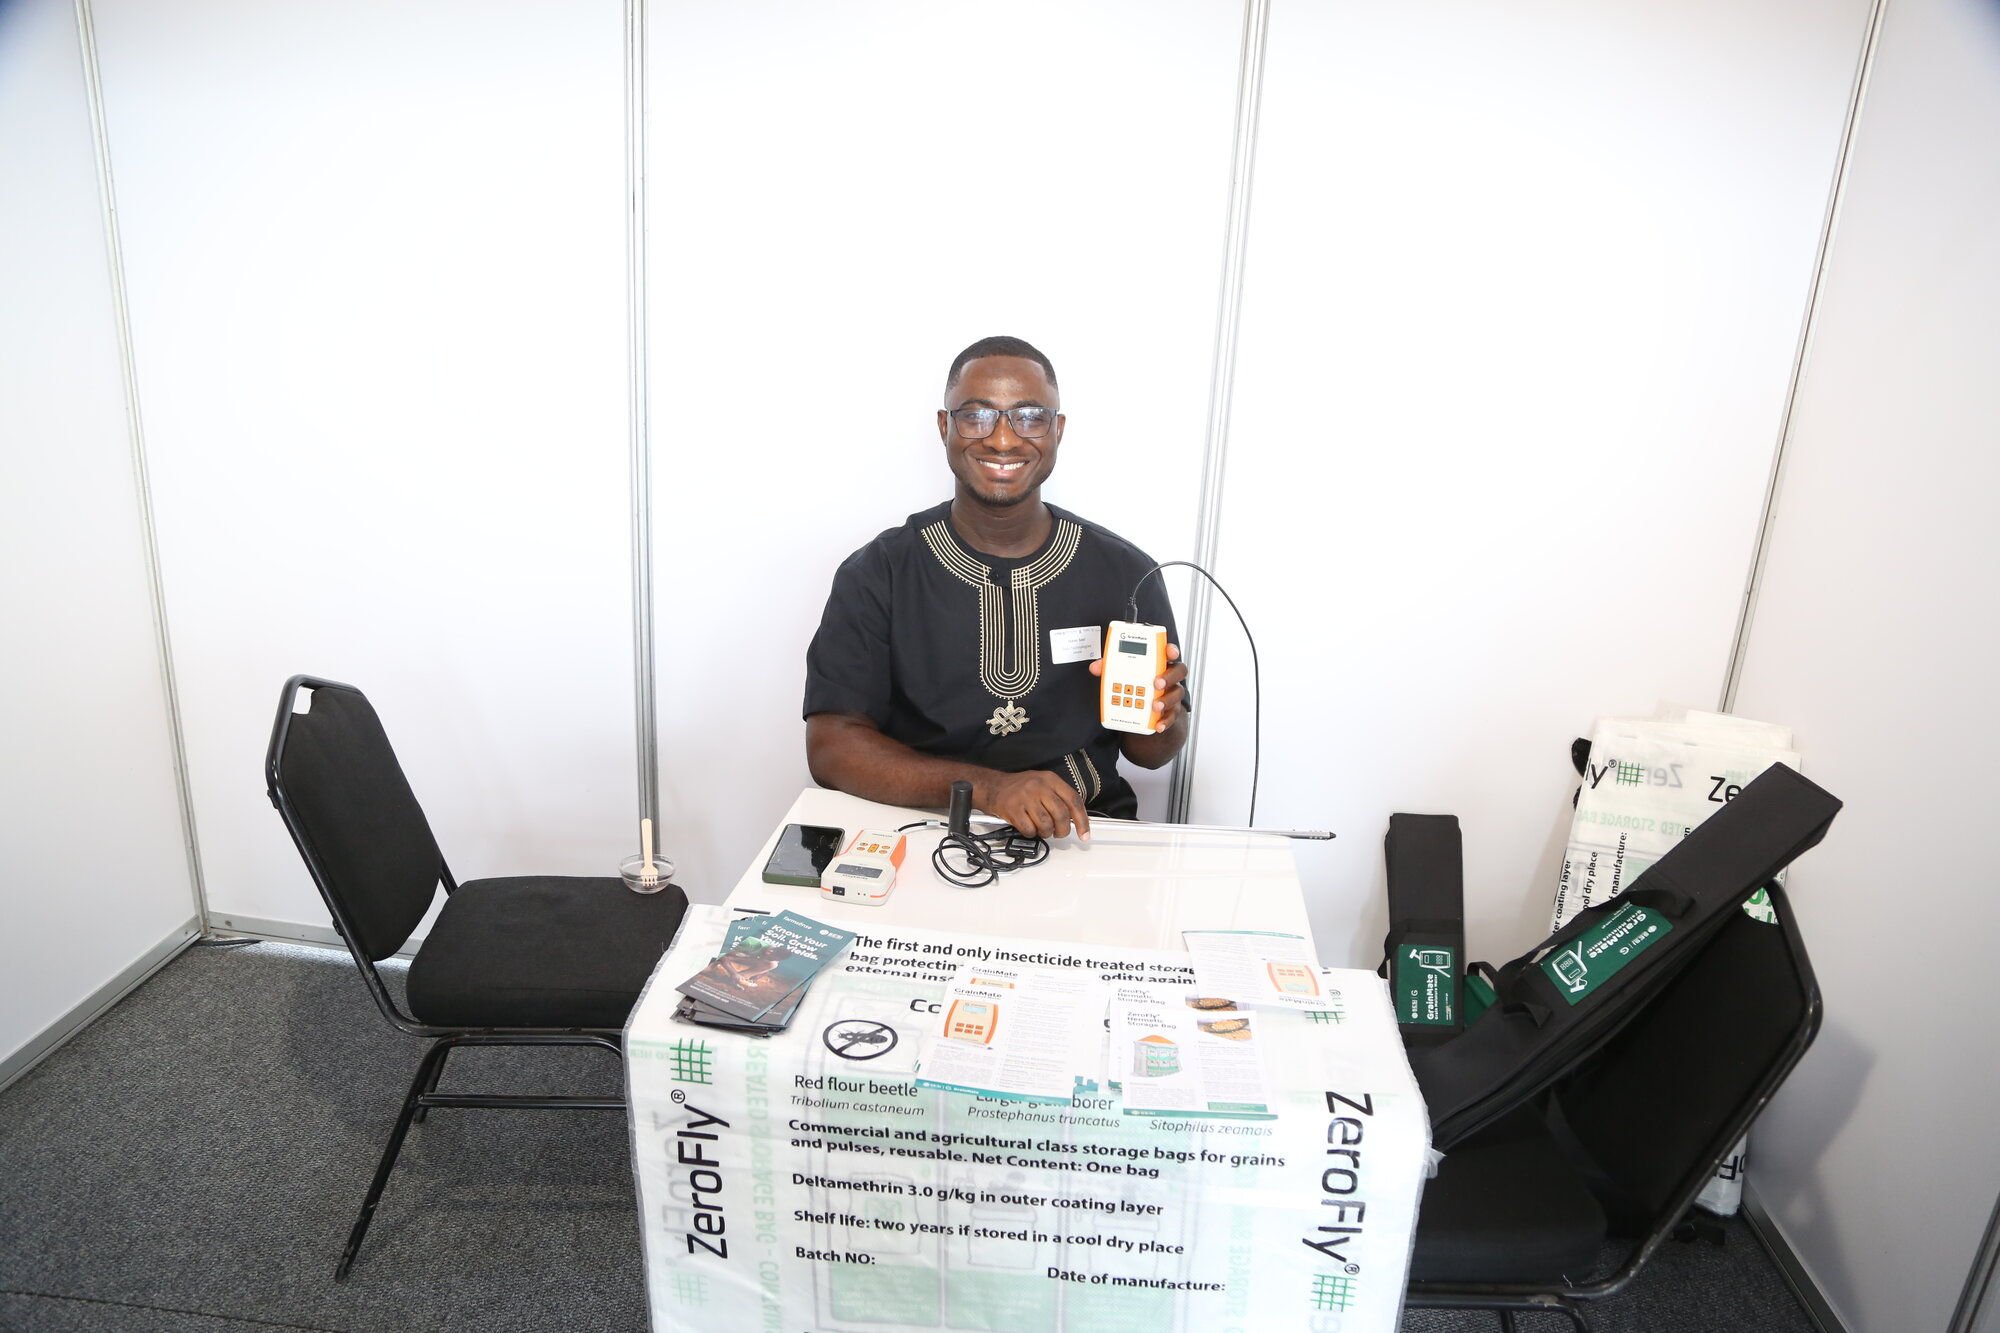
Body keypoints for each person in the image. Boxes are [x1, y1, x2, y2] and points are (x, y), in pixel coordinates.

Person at [803, 336, 1189, 841]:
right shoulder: (880, 572)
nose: (1003, 440)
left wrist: (1163, 715)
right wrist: (986, 789)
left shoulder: (1125, 571)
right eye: (976, 416)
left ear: (1057, 431)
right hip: (917, 834)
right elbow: (831, 747)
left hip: (1083, 832)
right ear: (945, 427)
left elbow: (1152, 754)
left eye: (1029, 417)